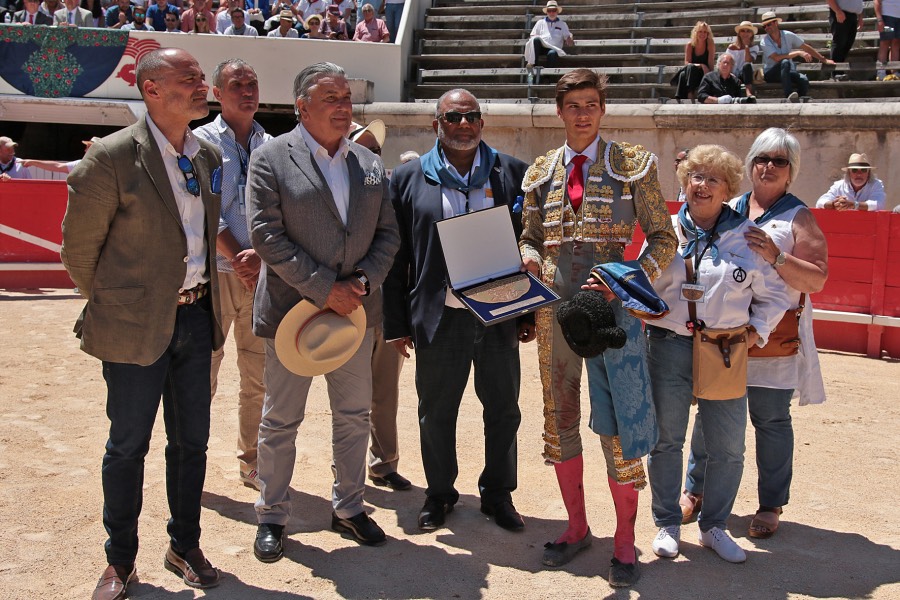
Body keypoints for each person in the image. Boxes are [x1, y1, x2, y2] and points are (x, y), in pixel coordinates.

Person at [60, 47, 225, 600]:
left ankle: (184, 546)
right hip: (134, 326)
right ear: (151, 89)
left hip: (196, 318)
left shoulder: (206, 156)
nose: (202, 86)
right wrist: (123, 303)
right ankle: (120, 560)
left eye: (201, 77)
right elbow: (79, 253)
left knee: (192, 443)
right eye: (189, 78)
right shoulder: (110, 157)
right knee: (128, 446)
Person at [519, 68, 677, 587]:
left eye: (591, 104)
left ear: (602, 109)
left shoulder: (632, 163)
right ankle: (577, 527)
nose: (582, 113)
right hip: (554, 309)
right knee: (560, 415)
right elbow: (530, 235)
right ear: (559, 111)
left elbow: (663, 238)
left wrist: (625, 282)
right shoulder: (541, 171)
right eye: (573, 105)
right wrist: (529, 258)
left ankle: (625, 539)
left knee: (619, 420)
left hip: (613, 308)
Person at [247, 62, 400, 561]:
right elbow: (265, 235)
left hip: (354, 311)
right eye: (330, 97)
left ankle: (350, 507)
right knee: (280, 418)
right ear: (302, 106)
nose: (343, 106)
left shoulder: (370, 163)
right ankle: (272, 514)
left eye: (346, 98)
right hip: (292, 313)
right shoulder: (270, 157)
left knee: (354, 415)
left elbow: (388, 235)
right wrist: (323, 288)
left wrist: (361, 283)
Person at [383, 89, 533, 533]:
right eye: (453, 117)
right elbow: (397, 256)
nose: (463, 124)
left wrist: (526, 314)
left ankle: (498, 494)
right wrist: (397, 323)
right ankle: (440, 494)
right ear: (436, 124)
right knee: (436, 410)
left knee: (504, 408)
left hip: (498, 313)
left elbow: (530, 243)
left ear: (482, 123)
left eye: (471, 117)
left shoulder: (513, 173)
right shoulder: (408, 178)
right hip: (440, 314)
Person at [646, 144, 790, 565]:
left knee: (727, 445)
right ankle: (667, 523)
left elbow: (776, 295)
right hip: (669, 344)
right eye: (696, 176)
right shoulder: (666, 231)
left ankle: (714, 526)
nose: (703, 186)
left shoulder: (748, 236)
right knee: (666, 439)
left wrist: (755, 332)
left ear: (728, 189)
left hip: (725, 348)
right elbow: (644, 282)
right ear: (685, 182)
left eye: (714, 179)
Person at [684, 128, 829, 541]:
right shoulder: (730, 205)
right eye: (762, 158)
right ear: (750, 164)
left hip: (772, 335)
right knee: (710, 413)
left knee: (770, 420)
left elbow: (817, 280)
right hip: (724, 333)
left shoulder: (798, 216)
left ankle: (770, 504)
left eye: (779, 161)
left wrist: (777, 256)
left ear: (791, 171)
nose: (769, 166)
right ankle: (695, 489)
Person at [194, 59, 271, 492]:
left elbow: (279, 209)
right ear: (218, 94)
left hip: (261, 275)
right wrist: (239, 258)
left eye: (252, 83)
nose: (247, 91)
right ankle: (190, 459)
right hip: (215, 274)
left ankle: (251, 462)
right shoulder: (200, 141)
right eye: (237, 84)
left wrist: (259, 256)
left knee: (258, 376)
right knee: (202, 371)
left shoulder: (272, 145)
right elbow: (203, 208)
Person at [345, 119, 412, 492]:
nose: (371, 155)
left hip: (388, 309)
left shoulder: (392, 191)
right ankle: (347, 470)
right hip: (348, 307)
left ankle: (384, 464)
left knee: (385, 392)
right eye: (363, 149)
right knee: (349, 398)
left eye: (376, 150)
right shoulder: (333, 193)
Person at [761, 10, 835, 102]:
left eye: (768, 24)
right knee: (785, 62)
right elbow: (776, 58)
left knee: (804, 80)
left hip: (787, 72)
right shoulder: (764, 41)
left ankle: (799, 100)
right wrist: (798, 53)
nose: (766, 28)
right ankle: (789, 95)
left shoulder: (788, 35)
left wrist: (823, 59)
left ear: (776, 23)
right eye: (764, 26)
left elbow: (805, 47)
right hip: (771, 74)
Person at [816, 152, 885, 211]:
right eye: (854, 170)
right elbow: (820, 202)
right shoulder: (839, 185)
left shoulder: (876, 184)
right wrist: (834, 204)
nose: (859, 174)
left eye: (863, 170)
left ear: (868, 173)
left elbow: (878, 204)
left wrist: (854, 205)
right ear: (849, 173)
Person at [673, 21, 716, 100]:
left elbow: (710, 63)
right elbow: (687, 63)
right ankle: (689, 94)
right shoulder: (690, 44)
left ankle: (687, 96)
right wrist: (701, 65)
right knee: (689, 69)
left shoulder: (710, 44)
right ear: (696, 32)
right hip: (691, 72)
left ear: (708, 34)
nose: (702, 34)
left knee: (683, 74)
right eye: (700, 31)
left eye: (705, 32)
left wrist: (711, 77)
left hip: (703, 74)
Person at [524, 1, 573, 69]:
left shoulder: (562, 24)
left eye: (554, 10)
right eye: (549, 11)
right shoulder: (540, 22)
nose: (551, 13)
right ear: (547, 12)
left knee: (552, 53)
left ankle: (549, 74)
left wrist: (570, 38)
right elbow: (532, 35)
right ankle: (533, 65)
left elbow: (568, 37)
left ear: (557, 12)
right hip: (541, 48)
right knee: (536, 40)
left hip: (554, 48)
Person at [19, 137, 100, 175]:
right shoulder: (79, 164)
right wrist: (32, 162)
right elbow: (57, 166)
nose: (85, 150)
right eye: (87, 147)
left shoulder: (105, 166)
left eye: (89, 147)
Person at [828, 0, 864, 70]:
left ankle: (840, 69)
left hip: (853, 15)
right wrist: (838, 11)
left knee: (848, 43)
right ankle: (836, 71)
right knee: (839, 43)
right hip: (840, 12)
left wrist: (860, 17)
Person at [727, 21, 760, 94]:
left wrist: (746, 46)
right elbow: (727, 61)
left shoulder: (754, 47)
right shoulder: (732, 47)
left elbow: (748, 60)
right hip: (733, 74)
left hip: (746, 75)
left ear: (752, 34)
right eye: (743, 31)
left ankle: (748, 91)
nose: (745, 33)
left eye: (748, 31)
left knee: (747, 66)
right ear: (739, 33)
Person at [875, 0, 900, 80]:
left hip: (899, 19)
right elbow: (876, 1)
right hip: (887, 17)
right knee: (885, 42)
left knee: (896, 43)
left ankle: (894, 72)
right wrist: (879, 19)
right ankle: (881, 72)